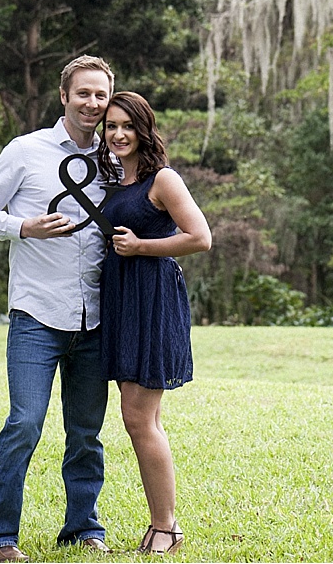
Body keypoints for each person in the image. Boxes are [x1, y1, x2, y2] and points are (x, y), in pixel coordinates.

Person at [0, 55, 116, 563]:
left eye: (101, 95)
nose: (92, 104)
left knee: (86, 433)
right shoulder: (25, 151)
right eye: (83, 94)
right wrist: (23, 227)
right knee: (25, 423)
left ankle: (83, 529)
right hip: (36, 315)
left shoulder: (117, 156)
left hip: (96, 317)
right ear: (64, 95)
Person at [95, 91, 212, 556]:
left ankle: (166, 527)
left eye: (127, 126)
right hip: (123, 302)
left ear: (144, 129)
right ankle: (162, 524)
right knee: (144, 418)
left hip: (153, 299)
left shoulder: (163, 179)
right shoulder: (113, 181)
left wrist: (142, 246)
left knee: (138, 417)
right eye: (110, 126)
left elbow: (200, 237)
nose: (118, 134)